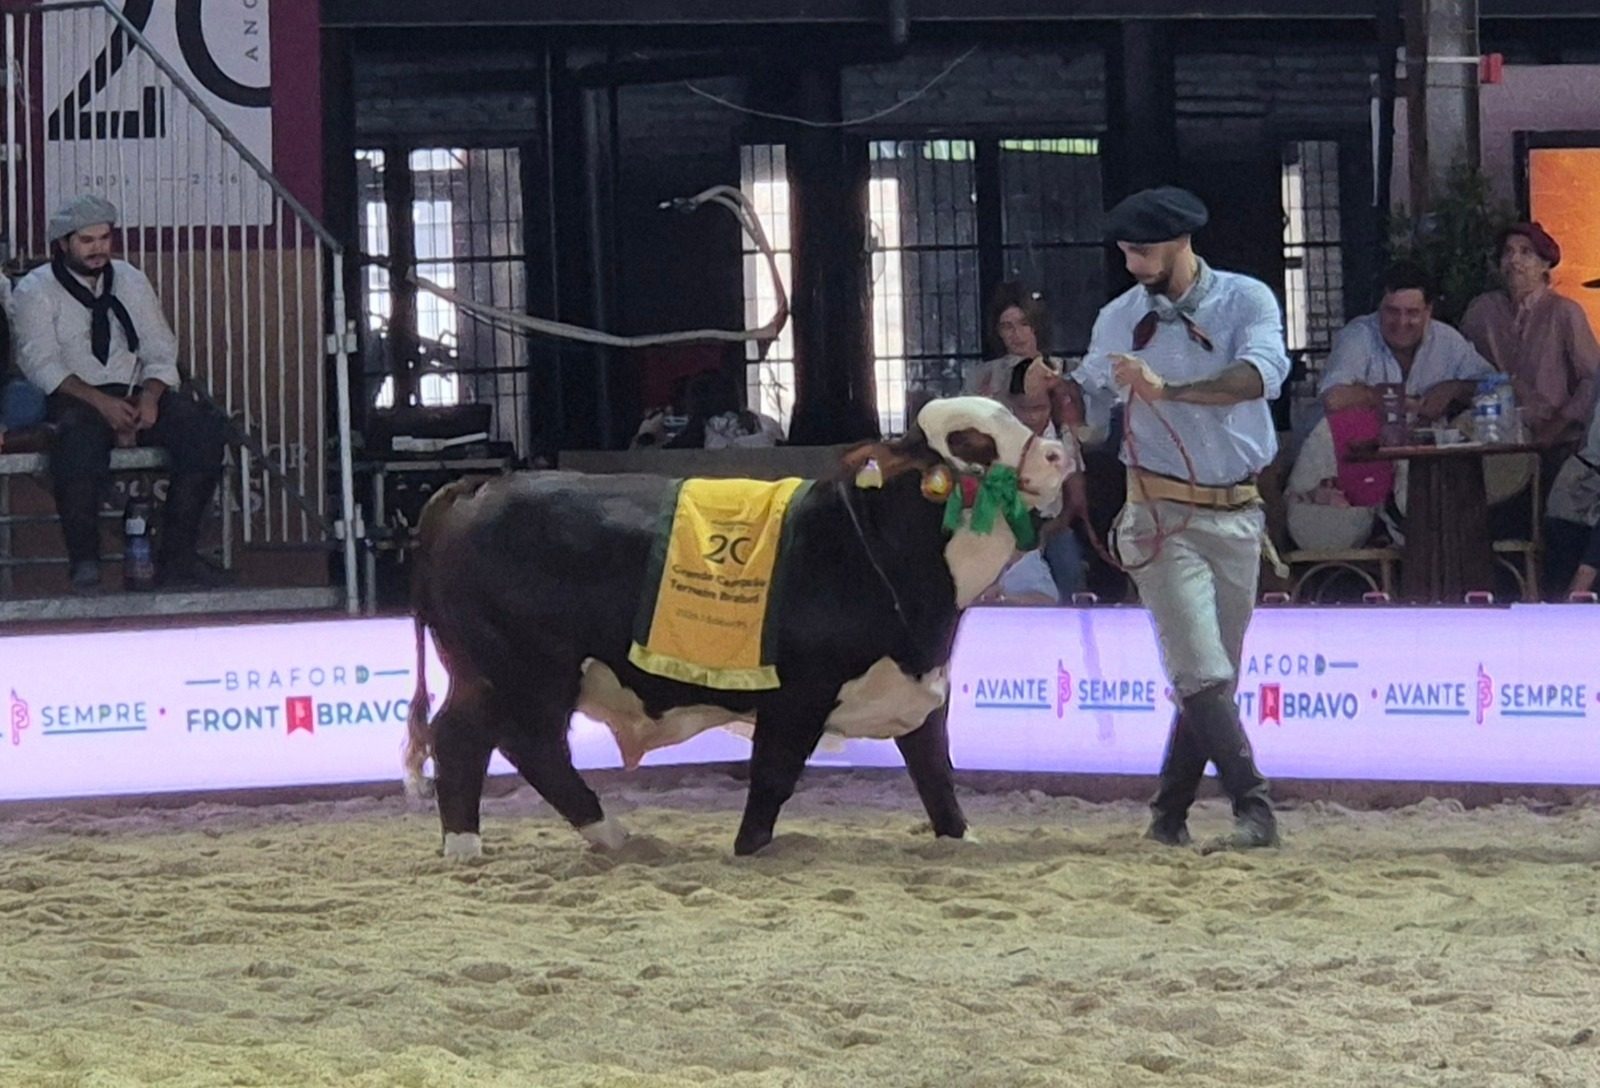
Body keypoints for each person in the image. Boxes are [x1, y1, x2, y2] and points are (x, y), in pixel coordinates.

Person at [1070, 185, 1289, 852]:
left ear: (1181, 242)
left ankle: (1168, 815)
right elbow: (1091, 406)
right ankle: (1256, 809)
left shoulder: (1246, 299)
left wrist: (1169, 391)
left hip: (1238, 516)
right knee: (1199, 669)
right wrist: (1058, 395)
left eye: (1144, 252)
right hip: (1159, 516)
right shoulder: (1118, 318)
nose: (1134, 264)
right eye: (1127, 252)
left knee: (1212, 677)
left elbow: (1259, 377)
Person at [13, 194, 226, 591]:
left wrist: (150, 396)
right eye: (87, 241)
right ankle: (85, 562)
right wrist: (103, 405)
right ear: (64, 244)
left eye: (104, 238)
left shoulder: (129, 278)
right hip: (77, 395)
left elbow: (160, 347)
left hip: (135, 388)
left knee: (203, 435)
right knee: (76, 445)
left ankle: (177, 558)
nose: (98, 249)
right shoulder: (35, 290)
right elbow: (42, 365)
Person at [965, 284, 1089, 602]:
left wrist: (1048, 532)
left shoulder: (1063, 377)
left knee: (1069, 573)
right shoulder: (985, 378)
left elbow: (1076, 484)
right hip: (1001, 518)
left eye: (1024, 325)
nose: (1017, 335)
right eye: (1007, 326)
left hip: (1052, 520)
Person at [1460, 222, 1600, 449]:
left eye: (1526, 252)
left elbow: (1592, 380)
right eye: (1508, 252)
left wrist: (1559, 423)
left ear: (1545, 264)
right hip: (1493, 439)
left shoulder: (1564, 311)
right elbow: (1464, 368)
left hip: (1558, 441)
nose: (1514, 260)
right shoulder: (1482, 311)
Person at [1320, 261, 1496, 424]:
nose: (1401, 322)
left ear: (1428, 311)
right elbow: (1333, 398)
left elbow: (1498, 388)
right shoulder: (1357, 336)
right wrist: (1389, 398)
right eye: (1392, 311)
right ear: (1379, 308)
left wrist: (1455, 389)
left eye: (1412, 312)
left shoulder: (1447, 340)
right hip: (1356, 454)